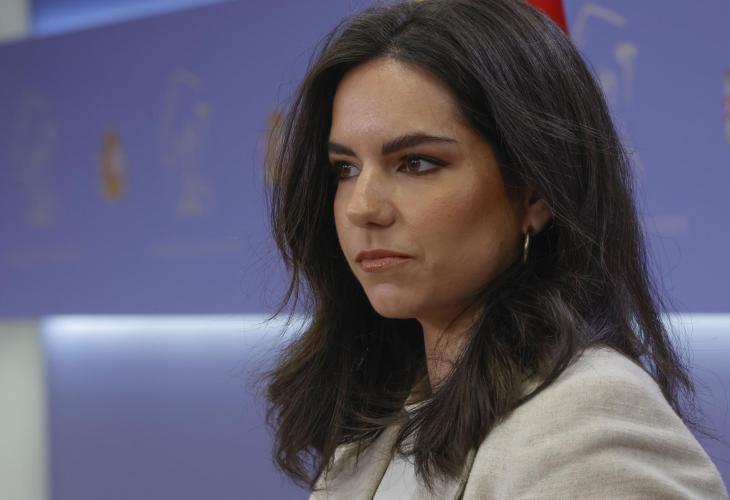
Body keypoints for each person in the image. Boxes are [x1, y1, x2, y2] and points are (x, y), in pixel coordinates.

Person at [262, 0, 729, 498]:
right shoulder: (385, 417)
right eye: (345, 169)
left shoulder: (589, 423)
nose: (362, 207)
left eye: (416, 163)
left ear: (535, 193)